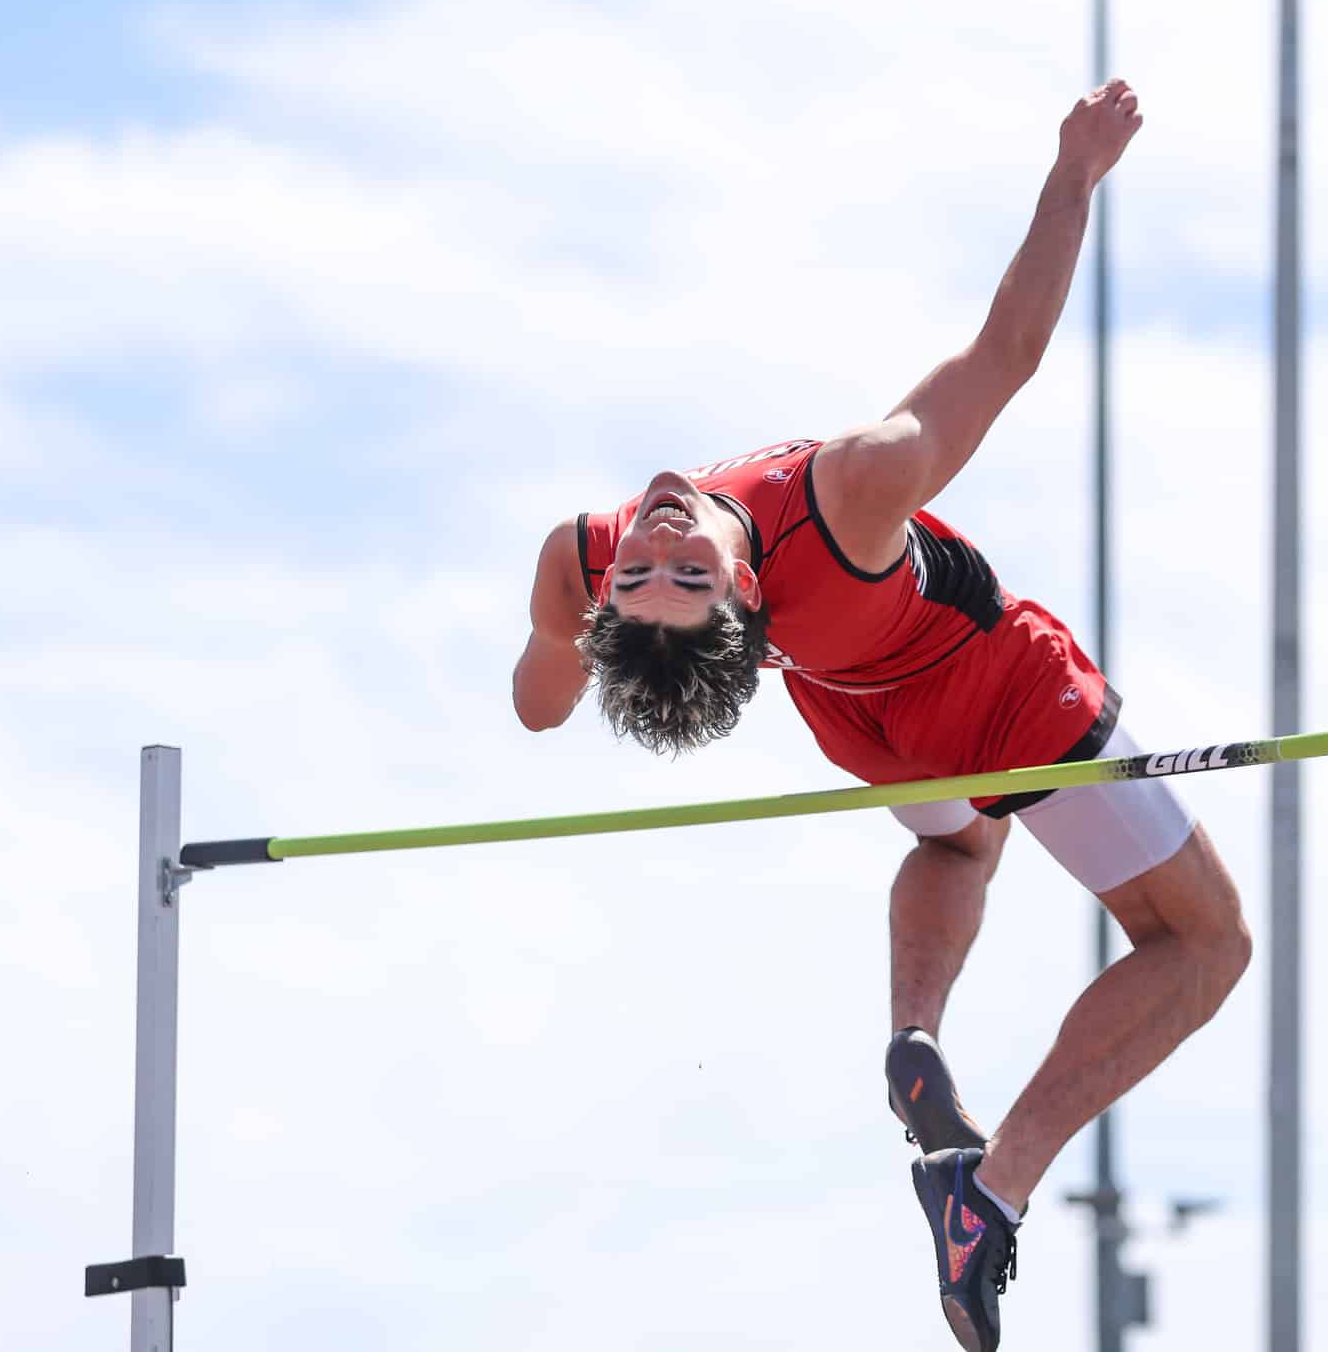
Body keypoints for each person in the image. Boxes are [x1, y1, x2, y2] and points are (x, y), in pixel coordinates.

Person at [512, 79, 1249, 1352]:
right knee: (1202, 944)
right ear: (742, 596)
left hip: (863, 723)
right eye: (675, 574)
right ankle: (994, 1186)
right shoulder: (849, 493)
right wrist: (1072, 176)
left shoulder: (582, 555)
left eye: (650, 572)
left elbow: (537, 705)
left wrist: (590, 645)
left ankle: (916, 1035)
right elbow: (1002, 358)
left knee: (955, 841)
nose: (661, 540)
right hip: (1000, 696)